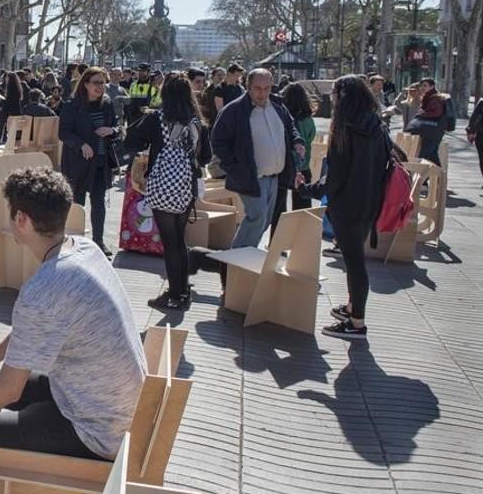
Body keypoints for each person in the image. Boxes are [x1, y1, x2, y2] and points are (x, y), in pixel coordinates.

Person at [0, 167, 147, 494]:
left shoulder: (44, 287)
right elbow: (34, 329)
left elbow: (8, 389)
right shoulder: (83, 249)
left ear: (21, 219)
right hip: (110, 409)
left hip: (94, 432)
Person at [297, 76, 389, 340]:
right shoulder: (377, 126)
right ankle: (352, 308)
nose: (332, 98)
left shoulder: (345, 130)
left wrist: (307, 190)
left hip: (347, 205)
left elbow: (334, 177)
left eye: (334, 93)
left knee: (355, 263)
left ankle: (357, 322)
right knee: (355, 259)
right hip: (370, 202)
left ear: (341, 97)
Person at [127, 73, 211, 311]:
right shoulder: (196, 122)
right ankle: (183, 292)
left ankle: (175, 294)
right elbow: (206, 156)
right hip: (186, 188)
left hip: (162, 186)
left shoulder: (157, 119)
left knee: (169, 242)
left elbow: (133, 141)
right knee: (180, 239)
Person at [211, 68, 305, 250]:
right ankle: (236, 262)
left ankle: (242, 257)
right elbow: (219, 141)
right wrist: (234, 168)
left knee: (265, 220)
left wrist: (297, 141)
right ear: (248, 87)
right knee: (257, 216)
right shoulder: (234, 110)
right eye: (257, 88)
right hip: (250, 177)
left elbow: (290, 126)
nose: (262, 93)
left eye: (267, 88)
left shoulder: (278, 106)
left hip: (274, 178)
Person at [60, 66, 121, 256]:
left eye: (102, 83)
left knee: (99, 202)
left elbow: (118, 125)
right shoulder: (72, 105)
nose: (100, 87)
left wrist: (112, 131)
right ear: (85, 84)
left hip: (101, 162)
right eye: (95, 83)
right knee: (77, 203)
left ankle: (98, 242)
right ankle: (73, 242)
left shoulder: (107, 103)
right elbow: (63, 132)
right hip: (78, 162)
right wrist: (81, 144)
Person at [269, 81, 317, 235]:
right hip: (304, 168)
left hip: (284, 167)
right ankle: (302, 239)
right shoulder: (309, 121)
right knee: (303, 207)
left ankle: (277, 243)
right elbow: (309, 140)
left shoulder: (281, 119)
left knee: (280, 209)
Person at [408, 78, 445, 166]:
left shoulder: (434, 98)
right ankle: (439, 175)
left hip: (432, 131)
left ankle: (424, 178)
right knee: (432, 155)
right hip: (433, 130)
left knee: (423, 155)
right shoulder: (429, 97)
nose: (422, 88)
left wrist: (423, 113)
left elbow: (437, 113)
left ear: (432, 86)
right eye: (422, 86)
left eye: (425, 85)